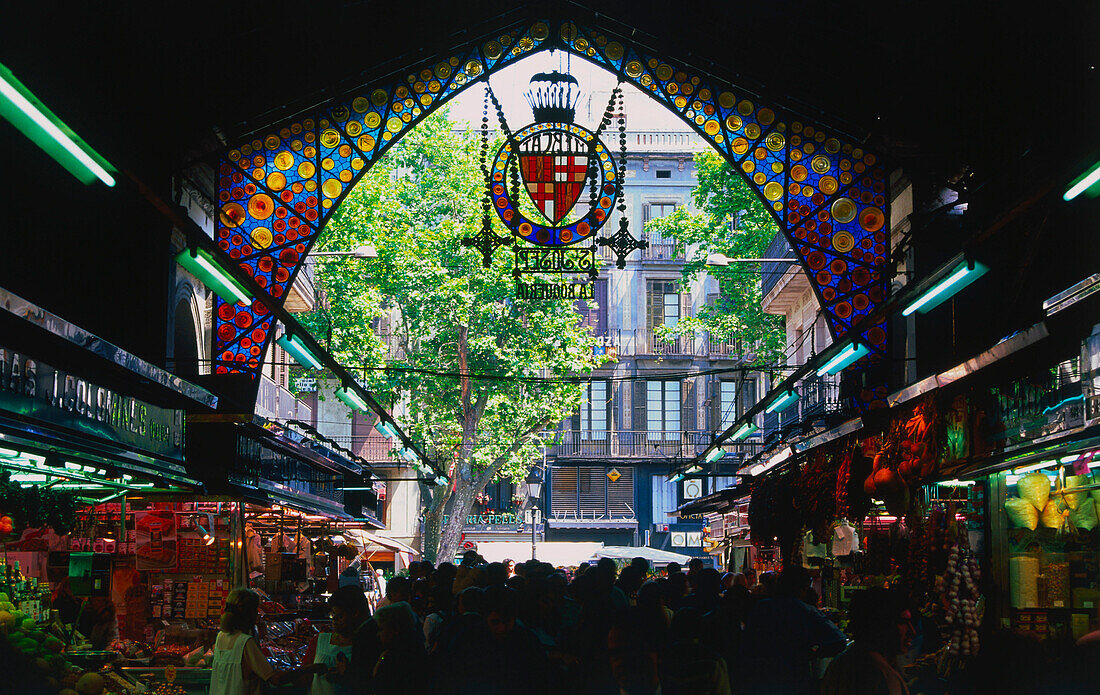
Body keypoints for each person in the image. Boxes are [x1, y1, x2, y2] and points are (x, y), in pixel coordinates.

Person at [740, 566, 847, 695]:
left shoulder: (761, 608)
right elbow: (839, 641)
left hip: (761, 679)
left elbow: (747, 642)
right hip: (796, 679)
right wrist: (813, 653)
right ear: (804, 588)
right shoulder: (806, 611)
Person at [210, 588, 315, 695]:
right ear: (248, 613)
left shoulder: (221, 637)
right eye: (255, 610)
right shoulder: (245, 642)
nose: (257, 614)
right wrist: (308, 669)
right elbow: (275, 679)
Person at [820, 588, 913, 695]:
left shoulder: (846, 662)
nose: (912, 631)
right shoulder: (874, 673)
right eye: (903, 622)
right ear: (881, 624)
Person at [301, 587, 363, 695]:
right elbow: (303, 679)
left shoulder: (365, 645)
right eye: (333, 615)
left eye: (340, 616)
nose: (335, 621)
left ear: (354, 614)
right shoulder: (319, 640)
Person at [370, 602, 429, 694]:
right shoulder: (417, 648)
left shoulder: (397, 658)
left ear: (395, 629)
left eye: (381, 629)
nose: (378, 634)